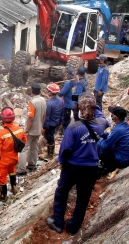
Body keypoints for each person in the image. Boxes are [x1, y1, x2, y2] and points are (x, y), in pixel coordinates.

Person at [46, 94, 107, 235]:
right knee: (83, 197)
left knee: (62, 192)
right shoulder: (101, 124)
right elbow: (100, 114)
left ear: (80, 109)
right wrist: (93, 103)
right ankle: (73, 227)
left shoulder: (74, 127)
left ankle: (58, 223)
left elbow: (65, 149)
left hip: (73, 167)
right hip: (91, 168)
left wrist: (61, 162)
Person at [0, 107, 27, 201]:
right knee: (12, 170)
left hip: (4, 159)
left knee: (1, 176)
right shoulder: (19, 129)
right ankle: (14, 187)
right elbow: (24, 140)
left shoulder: (2, 133)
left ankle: (3, 196)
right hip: (14, 158)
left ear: (2, 119)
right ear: (13, 118)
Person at [97, 106, 129, 177]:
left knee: (97, 148)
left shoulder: (118, 130)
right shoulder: (124, 124)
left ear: (115, 117)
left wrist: (97, 139)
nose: (111, 116)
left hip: (123, 160)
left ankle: (105, 166)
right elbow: (112, 137)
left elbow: (105, 146)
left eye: (112, 114)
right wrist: (103, 134)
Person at [17, 83, 46, 174]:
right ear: (40, 91)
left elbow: (30, 118)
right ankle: (32, 165)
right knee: (34, 147)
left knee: (23, 149)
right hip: (38, 128)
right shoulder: (43, 100)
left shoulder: (32, 102)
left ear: (32, 91)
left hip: (31, 130)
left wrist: (26, 130)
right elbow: (44, 115)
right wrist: (42, 126)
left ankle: (21, 169)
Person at [43, 83, 63, 159]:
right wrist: (61, 120)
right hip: (56, 122)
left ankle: (50, 154)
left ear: (51, 92)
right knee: (52, 137)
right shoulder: (60, 100)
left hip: (50, 124)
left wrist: (44, 127)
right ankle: (51, 151)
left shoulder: (50, 103)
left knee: (49, 138)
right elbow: (62, 112)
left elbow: (47, 117)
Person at [58, 67, 77, 131]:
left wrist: (58, 90)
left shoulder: (68, 83)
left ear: (68, 75)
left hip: (67, 105)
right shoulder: (75, 82)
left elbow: (61, 94)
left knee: (66, 121)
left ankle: (66, 133)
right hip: (73, 103)